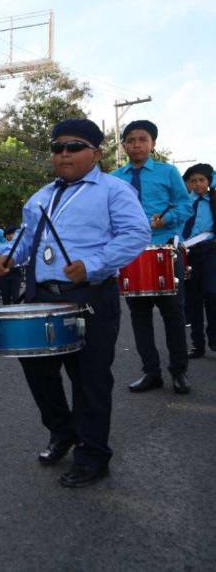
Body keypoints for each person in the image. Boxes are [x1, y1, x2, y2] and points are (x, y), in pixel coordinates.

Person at [0, 118, 150, 487]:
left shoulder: (113, 190)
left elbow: (137, 233)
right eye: (57, 147)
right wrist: (7, 255)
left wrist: (94, 265)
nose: (63, 153)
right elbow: (27, 242)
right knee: (38, 371)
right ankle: (62, 431)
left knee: (90, 378)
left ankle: (93, 454)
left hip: (90, 296)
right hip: (41, 296)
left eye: (74, 146)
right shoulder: (40, 197)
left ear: (95, 154)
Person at [111, 120, 192, 395]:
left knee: (173, 314)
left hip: (165, 249)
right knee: (139, 316)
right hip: (131, 252)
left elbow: (185, 204)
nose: (136, 144)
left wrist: (166, 219)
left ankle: (179, 371)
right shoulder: (114, 178)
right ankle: (151, 372)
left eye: (142, 139)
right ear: (123, 145)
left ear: (153, 144)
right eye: (130, 140)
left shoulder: (168, 172)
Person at [181, 163, 216, 358]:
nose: (198, 184)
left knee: (212, 293)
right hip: (188, 252)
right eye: (193, 181)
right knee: (192, 300)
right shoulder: (185, 202)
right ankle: (197, 344)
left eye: (202, 180)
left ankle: (214, 338)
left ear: (209, 181)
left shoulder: (214, 199)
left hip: (211, 251)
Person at [0, 226, 23, 305]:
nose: (11, 236)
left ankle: (17, 315)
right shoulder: (2, 247)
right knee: (5, 296)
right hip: (4, 272)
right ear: (6, 236)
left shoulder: (21, 245)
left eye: (13, 234)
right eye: (9, 234)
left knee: (16, 296)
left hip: (16, 271)